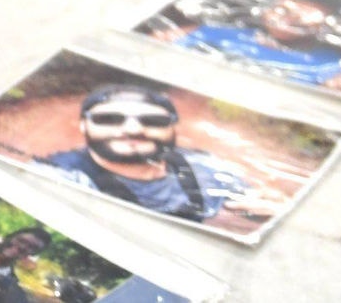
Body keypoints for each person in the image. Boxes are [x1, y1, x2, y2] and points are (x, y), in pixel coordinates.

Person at [37, 86, 259, 223]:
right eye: (109, 119)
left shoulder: (204, 166)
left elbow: (248, 203)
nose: (133, 130)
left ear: (173, 128)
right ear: (83, 126)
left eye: (153, 121)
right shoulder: (59, 175)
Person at [166, 0, 341, 95]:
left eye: (305, 16)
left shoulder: (334, 67)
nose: (290, 18)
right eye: (283, 10)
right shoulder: (218, 32)